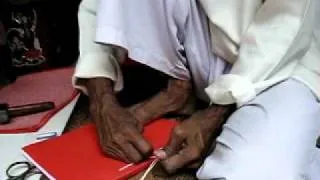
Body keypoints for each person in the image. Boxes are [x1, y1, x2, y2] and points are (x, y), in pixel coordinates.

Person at [73, 0, 320, 179]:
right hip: (203, 46)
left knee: (251, 171)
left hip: (287, 60)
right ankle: (180, 87)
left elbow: (287, 23)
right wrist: (101, 99)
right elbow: (101, 6)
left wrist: (216, 112)